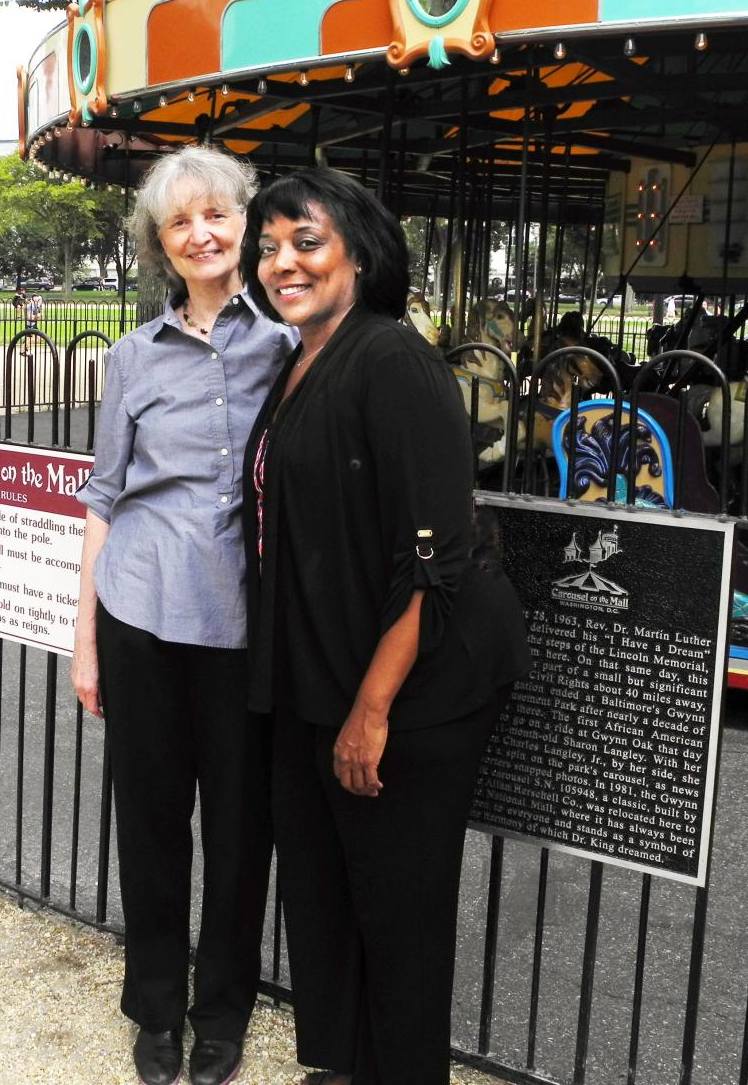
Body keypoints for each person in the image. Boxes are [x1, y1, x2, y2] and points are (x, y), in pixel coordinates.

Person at [240, 168, 529, 1085]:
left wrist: (373, 709)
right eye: (271, 244)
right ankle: (339, 1066)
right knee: (323, 901)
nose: (282, 261)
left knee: (397, 917)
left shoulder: (394, 361)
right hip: (317, 675)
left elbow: (431, 559)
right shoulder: (298, 359)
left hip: (411, 686)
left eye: (306, 241)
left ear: (360, 255)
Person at [71, 146, 295, 1085]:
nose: (201, 234)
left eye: (217, 215)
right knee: (151, 827)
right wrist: (84, 642)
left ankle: (224, 1012)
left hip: (247, 630)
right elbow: (103, 499)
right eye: (178, 223)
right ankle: (155, 1010)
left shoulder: (290, 342)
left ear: (246, 220)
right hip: (142, 617)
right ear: (160, 245)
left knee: (241, 835)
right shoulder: (131, 358)